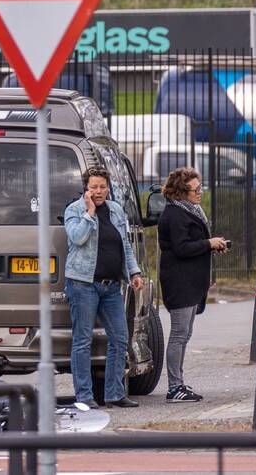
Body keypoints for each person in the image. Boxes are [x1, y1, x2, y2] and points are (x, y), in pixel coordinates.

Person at [63, 167, 144, 409]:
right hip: (83, 284)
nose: (98, 191)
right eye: (93, 187)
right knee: (82, 340)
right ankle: (84, 396)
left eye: (102, 186)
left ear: (108, 188)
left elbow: (125, 245)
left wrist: (134, 272)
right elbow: (77, 238)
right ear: (86, 189)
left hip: (111, 286)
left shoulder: (116, 210)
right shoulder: (74, 210)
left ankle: (114, 393)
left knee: (120, 338)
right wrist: (89, 212)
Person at [157, 166, 229, 403]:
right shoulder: (175, 214)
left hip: (191, 281)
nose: (199, 193)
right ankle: (174, 387)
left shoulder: (189, 210)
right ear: (181, 192)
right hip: (180, 282)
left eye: (200, 188)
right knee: (179, 334)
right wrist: (208, 243)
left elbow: (192, 243)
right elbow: (181, 247)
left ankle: (178, 383)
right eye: (195, 190)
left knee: (184, 334)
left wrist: (213, 245)